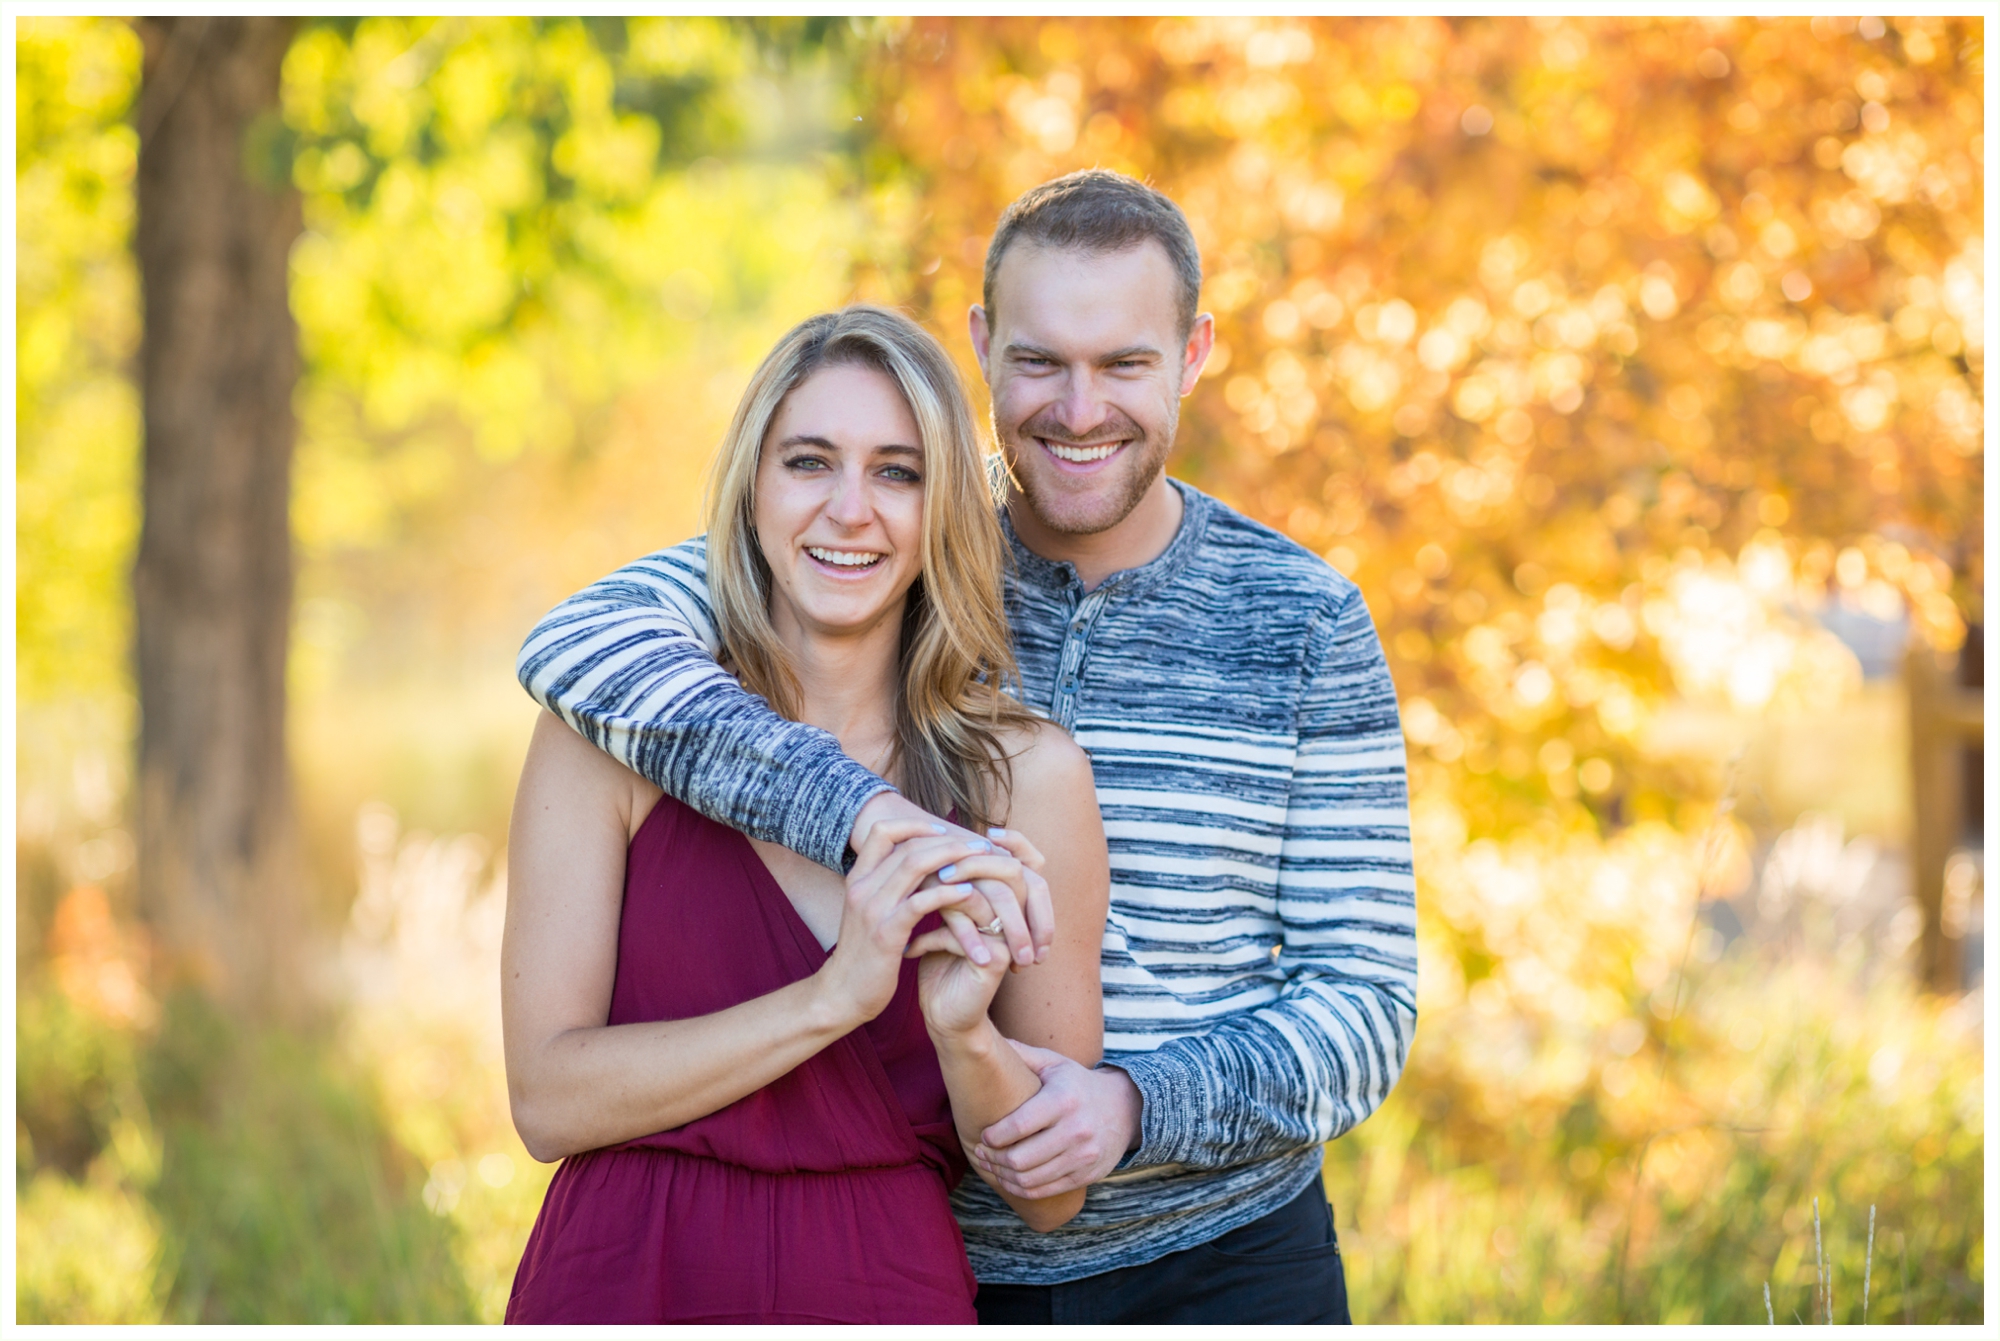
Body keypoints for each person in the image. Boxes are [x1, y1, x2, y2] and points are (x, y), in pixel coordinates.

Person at [517, 170, 1416, 1324]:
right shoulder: (883, 538)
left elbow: (1366, 998)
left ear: (1191, 356)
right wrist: (860, 816)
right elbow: (579, 639)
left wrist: (1134, 1105)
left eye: (1124, 365)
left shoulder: (1303, 619)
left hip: (1231, 1254)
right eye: (1039, 362)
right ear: (983, 347)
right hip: (952, 1253)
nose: (1079, 409)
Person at [501, 306, 1110, 1324]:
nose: (847, 510)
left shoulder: (1023, 776)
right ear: (751, 488)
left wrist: (964, 1036)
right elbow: (545, 1102)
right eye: (809, 462)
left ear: (942, 507)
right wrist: (834, 998)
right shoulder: (605, 736)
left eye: (895, 472)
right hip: (623, 1281)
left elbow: (1051, 1196)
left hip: (884, 1287)